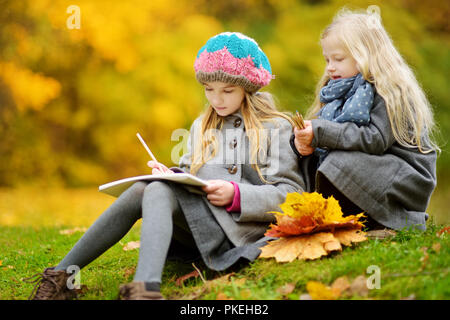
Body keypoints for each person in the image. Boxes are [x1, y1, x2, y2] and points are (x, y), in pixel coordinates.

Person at [25, 32, 304, 300]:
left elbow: (292, 194)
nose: (216, 99)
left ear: (248, 88)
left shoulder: (276, 127)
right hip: (199, 228)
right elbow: (192, 175)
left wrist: (237, 195)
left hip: (241, 234)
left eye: (227, 90)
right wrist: (173, 175)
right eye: (208, 90)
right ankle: (60, 278)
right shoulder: (202, 125)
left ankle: (144, 288)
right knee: (146, 188)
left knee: (155, 190)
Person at [292, 9, 438, 232]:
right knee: (311, 158)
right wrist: (306, 142)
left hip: (405, 177)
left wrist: (321, 133)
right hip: (371, 170)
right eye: (327, 59)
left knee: (339, 161)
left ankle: (392, 221)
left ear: (365, 55)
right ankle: (341, 218)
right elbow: (333, 135)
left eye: (338, 59)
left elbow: (375, 138)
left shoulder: (389, 91)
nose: (330, 66)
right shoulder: (337, 90)